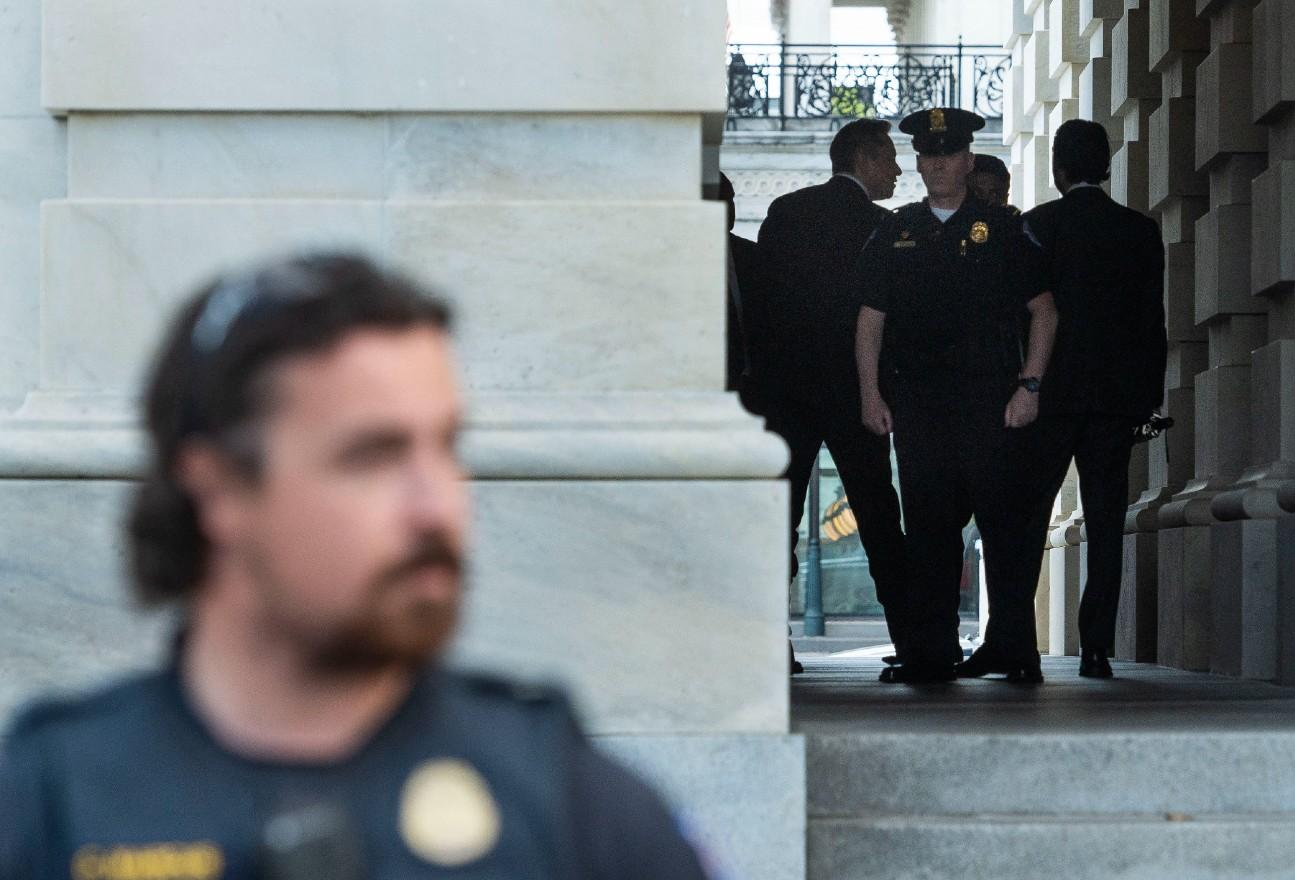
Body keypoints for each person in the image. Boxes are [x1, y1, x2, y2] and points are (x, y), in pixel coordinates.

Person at [0, 254, 713, 879]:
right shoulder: (47, 807)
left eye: (446, 448)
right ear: (217, 489)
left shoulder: (577, 811)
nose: (437, 507)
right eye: (371, 458)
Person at [855, 107, 1057, 684]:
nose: (937, 165)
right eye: (927, 155)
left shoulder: (1005, 230)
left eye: (948, 155)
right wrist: (870, 395)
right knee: (929, 535)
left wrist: (1031, 386)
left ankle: (1015, 648)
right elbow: (870, 320)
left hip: (993, 406)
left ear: (968, 161)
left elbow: (1043, 314)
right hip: (919, 409)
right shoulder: (896, 231)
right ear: (918, 163)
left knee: (1006, 531)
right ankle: (930, 652)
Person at [743, 118, 912, 665]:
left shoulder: (786, 212)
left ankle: (770, 646)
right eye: (889, 158)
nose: (897, 169)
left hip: (784, 395)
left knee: (777, 518)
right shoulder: (881, 226)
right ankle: (913, 642)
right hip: (855, 396)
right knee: (880, 519)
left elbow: (762, 306)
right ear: (863, 159)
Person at [1020, 119, 1167, 679]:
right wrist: (1145, 401)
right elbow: (1150, 323)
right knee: (1106, 522)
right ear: (1106, 167)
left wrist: (1023, 385)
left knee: (1029, 517)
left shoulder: (1037, 227)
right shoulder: (1138, 231)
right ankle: (1097, 648)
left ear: (1058, 169)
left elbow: (1024, 319)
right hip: (1113, 400)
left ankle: (1019, 640)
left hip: (1050, 396)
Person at [718, 172, 757, 393]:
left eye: (731, 199)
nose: (731, 208)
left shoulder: (752, 254)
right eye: (722, 200)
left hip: (750, 383)